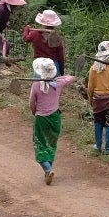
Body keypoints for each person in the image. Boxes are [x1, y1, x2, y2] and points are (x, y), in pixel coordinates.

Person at [28, 56, 75, 185]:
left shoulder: (36, 85)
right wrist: (59, 78)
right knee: (51, 143)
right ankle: (48, 170)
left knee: (39, 143)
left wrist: (34, 113)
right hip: (55, 118)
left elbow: (31, 103)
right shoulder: (58, 84)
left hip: (41, 119)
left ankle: (48, 169)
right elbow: (71, 78)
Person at [22, 8, 65, 73]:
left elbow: (26, 38)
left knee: (38, 82)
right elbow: (60, 56)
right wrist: (61, 71)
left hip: (39, 66)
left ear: (42, 23)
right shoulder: (56, 37)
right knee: (53, 82)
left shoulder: (35, 34)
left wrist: (26, 29)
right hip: (53, 66)